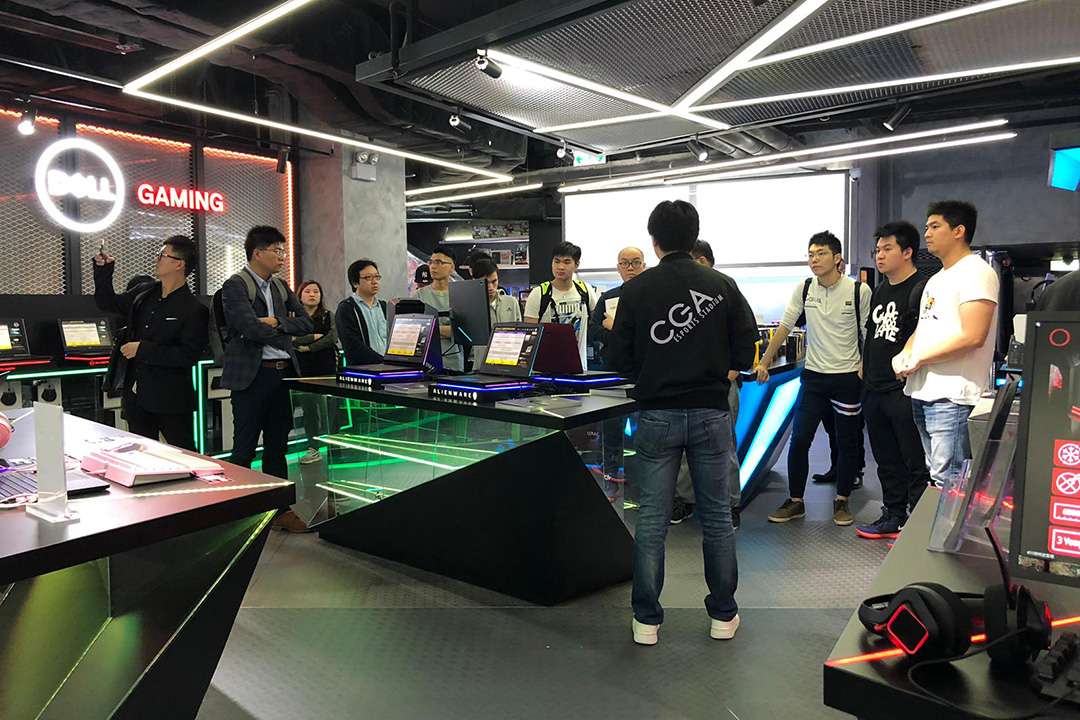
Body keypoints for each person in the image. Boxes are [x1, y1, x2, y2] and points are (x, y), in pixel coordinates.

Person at [610, 200, 756, 646]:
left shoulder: (636, 291)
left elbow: (619, 359)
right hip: (712, 411)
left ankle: (647, 620)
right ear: (694, 239)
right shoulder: (722, 285)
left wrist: (651, 374)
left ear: (654, 242)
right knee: (717, 518)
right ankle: (723, 615)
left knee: (651, 520)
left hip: (656, 414)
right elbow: (745, 347)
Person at [758, 231, 871, 527]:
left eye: (821, 253)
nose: (814, 259)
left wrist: (864, 367)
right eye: (810, 254)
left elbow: (868, 335)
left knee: (847, 442)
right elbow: (785, 326)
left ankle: (842, 501)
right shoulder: (805, 288)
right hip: (814, 378)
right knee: (799, 440)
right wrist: (765, 362)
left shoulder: (858, 291)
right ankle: (796, 501)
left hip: (847, 378)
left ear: (837, 258)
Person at [894, 201, 999, 492]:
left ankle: (944, 525)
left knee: (950, 481)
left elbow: (973, 335)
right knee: (937, 476)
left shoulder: (976, 272)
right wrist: (905, 353)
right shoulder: (936, 279)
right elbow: (924, 327)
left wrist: (920, 358)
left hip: (952, 395)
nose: (926, 233)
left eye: (934, 226)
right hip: (923, 391)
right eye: (926, 227)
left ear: (958, 231)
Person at [93, 236, 208, 451]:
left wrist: (143, 349)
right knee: (140, 455)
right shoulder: (144, 294)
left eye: (162, 255)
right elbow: (107, 302)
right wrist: (103, 270)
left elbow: (187, 355)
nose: (157, 259)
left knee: (184, 454)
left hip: (171, 398)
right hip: (137, 395)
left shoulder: (194, 309)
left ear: (179, 264)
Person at [855, 222, 931, 540]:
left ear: (907, 251)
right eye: (877, 250)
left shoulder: (922, 289)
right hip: (874, 388)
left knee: (914, 458)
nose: (880, 256)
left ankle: (919, 521)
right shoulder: (881, 289)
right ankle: (894, 514)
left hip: (904, 389)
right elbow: (873, 333)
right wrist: (864, 366)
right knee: (885, 458)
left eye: (887, 249)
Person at [221, 226, 313, 485]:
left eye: (283, 251)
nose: (282, 256)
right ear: (257, 253)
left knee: (277, 447)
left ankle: (278, 503)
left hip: (283, 375)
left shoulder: (281, 286)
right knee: (244, 449)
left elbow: (308, 323)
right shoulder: (236, 285)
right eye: (277, 251)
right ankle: (241, 504)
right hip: (252, 377)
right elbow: (249, 328)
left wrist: (276, 322)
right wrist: (285, 332)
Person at [670, 240, 744, 528]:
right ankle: (685, 500)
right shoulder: (677, 294)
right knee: (684, 447)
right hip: (686, 384)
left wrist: (732, 371)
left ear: (702, 261)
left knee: (724, 448)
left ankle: (730, 504)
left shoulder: (726, 288)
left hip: (720, 385)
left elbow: (745, 334)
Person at [587, 246, 646, 500]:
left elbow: (648, 335)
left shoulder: (653, 297)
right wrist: (619, 334)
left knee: (646, 435)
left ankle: (644, 490)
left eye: (635, 262)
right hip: (613, 374)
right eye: (625, 263)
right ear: (618, 267)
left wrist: (616, 328)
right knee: (611, 433)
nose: (630, 267)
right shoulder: (608, 297)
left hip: (644, 375)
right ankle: (610, 482)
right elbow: (593, 330)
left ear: (644, 265)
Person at [524, 241, 600, 369]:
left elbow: (596, 322)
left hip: (580, 366)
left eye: (567, 262)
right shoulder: (539, 293)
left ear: (576, 265)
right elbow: (529, 335)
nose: (560, 267)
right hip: (546, 368)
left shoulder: (585, 290)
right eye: (556, 261)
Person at [294, 280, 339, 465]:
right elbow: (291, 339)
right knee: (309, 409)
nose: (312, 295)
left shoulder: (328, 315)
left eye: (316, 291)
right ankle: (313, 448)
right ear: (300, 296)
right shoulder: (294, 317)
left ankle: (333, 447)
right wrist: (313, 336)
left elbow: (332, 337)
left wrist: (309, 347)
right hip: (303, 368)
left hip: (326, 367)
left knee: (329, 408)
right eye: (308, 291)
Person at [414, 246, 464, 372]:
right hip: (426, 362)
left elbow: (464, 332)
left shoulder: (461, 294)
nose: (433, 266)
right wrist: (447, 329)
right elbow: (416, 330)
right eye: (431, 262)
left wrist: (432, 327)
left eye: (439, 262)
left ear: (451, 267)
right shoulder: (419, 295)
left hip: (455, 362)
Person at [468, 254, 522, 365]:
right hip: (481, 364)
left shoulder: (511, 302)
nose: (491, 287)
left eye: (494, 281)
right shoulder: (470, 306)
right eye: (486, 283)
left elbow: (520, 332)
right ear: (474, 280)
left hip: (510, 361)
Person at [336, 259, 388, 366]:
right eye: (368, 278)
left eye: (377, 277)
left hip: (389, 367)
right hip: (364, 368)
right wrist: (382, 361)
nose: (374, 281)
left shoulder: (384, 306)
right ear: (355, 283)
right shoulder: (347, 308)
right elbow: (352, 345)